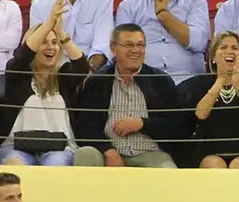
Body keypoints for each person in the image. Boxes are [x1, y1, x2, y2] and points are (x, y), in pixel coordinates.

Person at [0, 0, 91, 166]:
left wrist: (61, 33)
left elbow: (82, 66)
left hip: (58, 149)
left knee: (55, 165)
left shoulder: (64, 75)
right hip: (16, 147)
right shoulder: (18, 74)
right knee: (15, 164)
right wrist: (48, 23)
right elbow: (23, 55)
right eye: (44, 42)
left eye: (54, 43)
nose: (51, 47)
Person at [73, 24, 185, 168]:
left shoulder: (160, 81)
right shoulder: (98, 81)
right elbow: (85, 125)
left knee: (167, 170)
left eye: (140, 45)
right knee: (85, 154)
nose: (135, 50)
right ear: (113, 49)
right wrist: (107, 150)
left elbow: (177, 126)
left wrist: (142, 123)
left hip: (149, 153)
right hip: (107, 153)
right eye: (128, 45)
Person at [179, 31, 239, 168]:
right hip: (208, 153)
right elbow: (200, 114)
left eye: (234, 48)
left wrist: (237, 86)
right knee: (215, 164)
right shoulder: (200, 84)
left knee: (238, 165)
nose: (229, 51)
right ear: (213, 57)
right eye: (223, 48)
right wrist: (220, 80)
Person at [114, 0, 210, 83]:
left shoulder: (196, 0)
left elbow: (198, 43)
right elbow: (123, 50)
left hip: (188, 79)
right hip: (144, 81)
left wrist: (164, 16)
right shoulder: (129, 6)